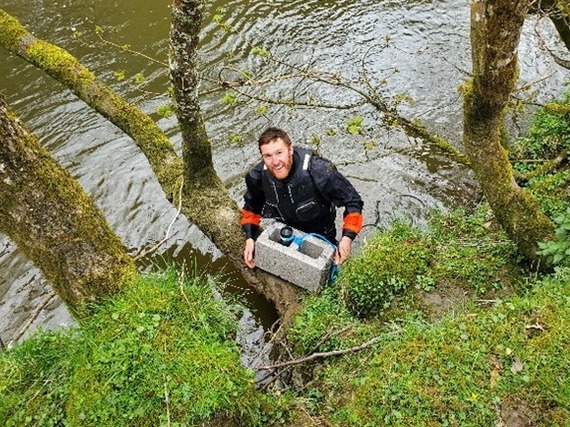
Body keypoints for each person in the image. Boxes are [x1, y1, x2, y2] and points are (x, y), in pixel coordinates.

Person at [241, 126, 363, 269]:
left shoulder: (319, 170)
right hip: (287, 231)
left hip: (322, 233)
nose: (275, 162)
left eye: (279, 153)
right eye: (268, 156)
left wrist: (347, 238)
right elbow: (251, 209)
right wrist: (249, 238)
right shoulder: (256, 177)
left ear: (290, 150)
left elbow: (353, 201)